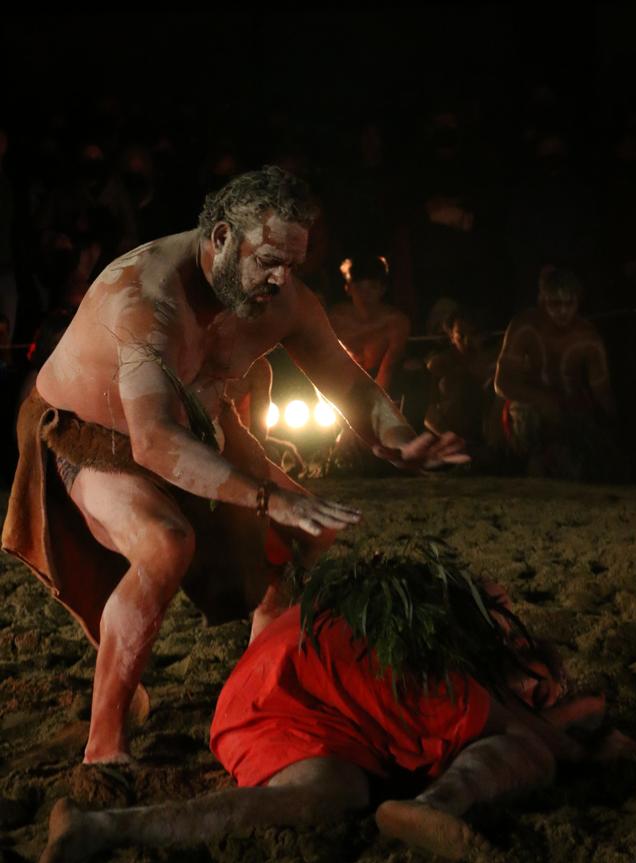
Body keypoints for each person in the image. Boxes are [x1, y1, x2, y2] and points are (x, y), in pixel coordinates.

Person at [2, 166, 467, 767]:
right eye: (269, 261)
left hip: (204, 424)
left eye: (292, 266)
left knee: (311, 530)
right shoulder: (146, 299)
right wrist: (269, 497)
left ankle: (254, 699)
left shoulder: (281, 300)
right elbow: (152, 440)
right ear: (221, 237)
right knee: (168, 544)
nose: (281, 280)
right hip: (93, 437)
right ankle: (104, 746)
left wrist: (398, 437)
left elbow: (347, 383)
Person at [38, 597, 636, 863]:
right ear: (511, 656)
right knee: (527, 753)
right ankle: (433, 805)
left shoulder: (442, 625)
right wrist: (591, 739)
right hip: (291, 693)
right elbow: (534, 736)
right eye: (539, 685)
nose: (541, 696)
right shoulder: (463, 674)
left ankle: (98, 828)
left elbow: (532, 717)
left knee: (329, 789)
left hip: (264, 696)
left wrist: (572, 715)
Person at [494, 266, 619, 479]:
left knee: (580, 453)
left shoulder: (589, 339)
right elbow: (502, 383)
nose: (562, 311)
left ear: (578, 302)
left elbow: (602, 392)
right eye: (555, 304)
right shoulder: (524, 327)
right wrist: (542, 399)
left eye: (569, 304)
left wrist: (614, 427)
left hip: (570, 409)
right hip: (529, 409)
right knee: (525, 416)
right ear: (543, 301)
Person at [329, 254, 410, 394]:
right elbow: (325, 362)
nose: (365, 295)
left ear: (382, 290)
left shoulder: (395, 322)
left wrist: (376, 403)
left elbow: (388, 368)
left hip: (380, 383)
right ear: (348, 289)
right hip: (341, 382)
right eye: (359, 288)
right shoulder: (336, 319)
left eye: (372, 287)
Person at [425, 308, 498, 448]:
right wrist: (452, 440)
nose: (467, 341)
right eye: (460, 335)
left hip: (489, 434)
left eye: (474, 334)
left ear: (484, 335)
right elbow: (428, 413)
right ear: (451, 337)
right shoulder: (440, 364)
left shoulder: (494, 362)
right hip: (452, 435)